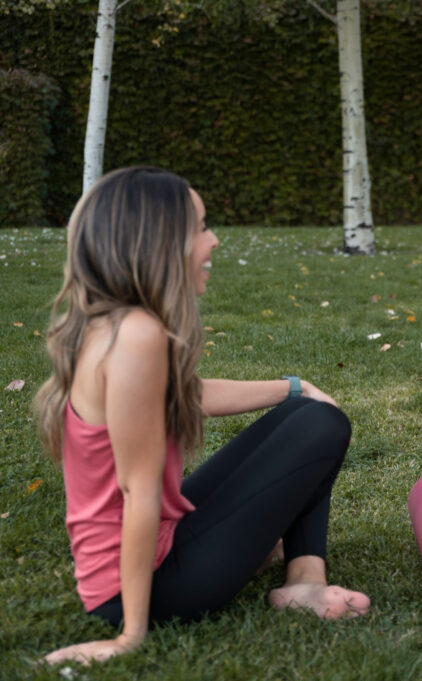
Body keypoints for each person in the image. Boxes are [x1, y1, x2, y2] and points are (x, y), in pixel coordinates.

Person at [34, 167, 370, 665]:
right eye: (200, 228)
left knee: (308, 412)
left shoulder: (116, 324)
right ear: (159, 243)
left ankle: (303, 579)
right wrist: (129, 636)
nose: (213, 241)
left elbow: (188, 395)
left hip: (153, 551)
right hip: (159, 582)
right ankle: (299, 581)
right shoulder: (136, 336)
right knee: (323, 426)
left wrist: (295, 387)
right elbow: (138, 493)